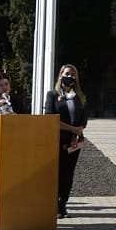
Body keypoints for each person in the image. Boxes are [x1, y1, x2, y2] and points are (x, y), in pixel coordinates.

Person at [42, 64, 90, 219]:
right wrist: (71, 129)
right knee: (56, 172)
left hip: (74, 142)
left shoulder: (80, 97)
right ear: (60, 75)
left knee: (68, 174)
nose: (69, 76)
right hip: (57, 140)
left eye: (72, 74)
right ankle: (53, 203)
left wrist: (78, 131)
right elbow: (51, 117)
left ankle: (63, 204)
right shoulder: (52, 95)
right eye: (66, 73)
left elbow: (84, 118)